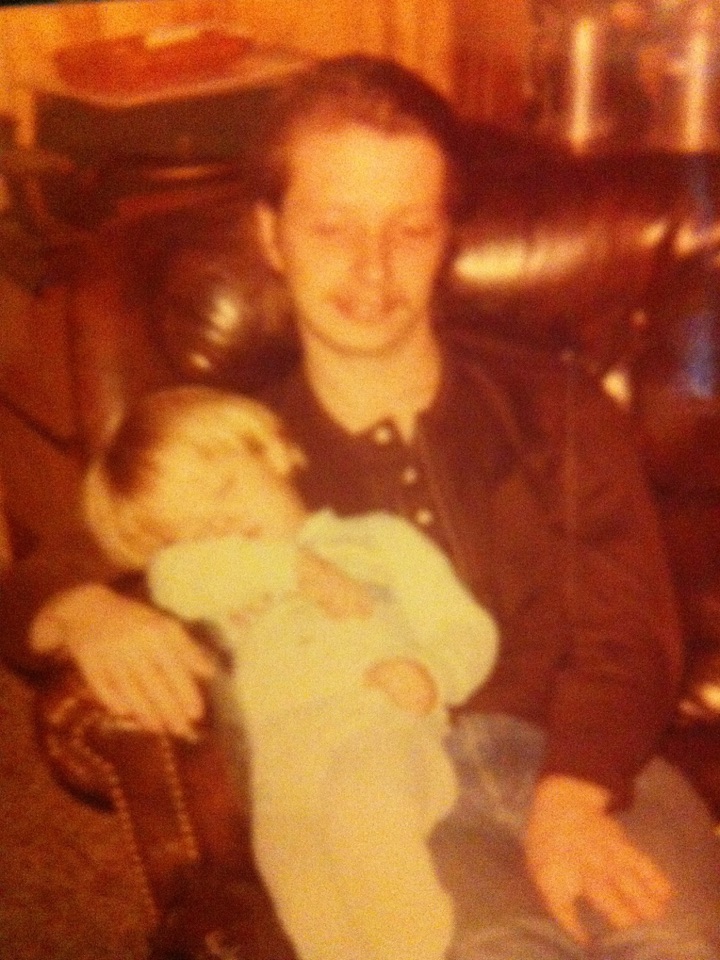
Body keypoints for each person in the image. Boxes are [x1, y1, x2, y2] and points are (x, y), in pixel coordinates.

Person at [4, 53, 720, 959]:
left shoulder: (559, 408)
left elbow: (630, 630)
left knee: (685, 944)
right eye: (333, 228)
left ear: (448, 236)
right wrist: (83, 608)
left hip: (597, 762)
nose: (372, 271)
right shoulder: (235, 447)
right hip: (390, 793)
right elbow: (58, 558)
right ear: (272, 234)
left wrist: (572, 798)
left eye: (410, 229)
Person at [81, 383, 499, 960]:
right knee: (306, 901)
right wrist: (288, 567)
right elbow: (172, 577)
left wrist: (431, 672)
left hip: (379, 730)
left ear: (273, 455)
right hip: (282, 771)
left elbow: (465, 627)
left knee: (366, 818)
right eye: (196, 526)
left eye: (224, 488)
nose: (222, 523)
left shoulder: (380, 538)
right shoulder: (224, 577)